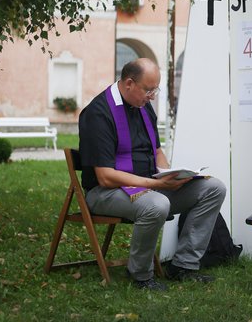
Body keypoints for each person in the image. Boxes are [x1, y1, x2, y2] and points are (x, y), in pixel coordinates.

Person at [78, 58, 226, 291]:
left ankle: (183, 266)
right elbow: (105, 177)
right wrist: (155, 185)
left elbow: (155, 150)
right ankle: (140, 275)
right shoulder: (99, 113)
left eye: (155, 89)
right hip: (106, 193)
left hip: (148, 187)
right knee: (155, 204)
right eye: (149, 90)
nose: (153, 96)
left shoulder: (143, 107)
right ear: (129, 83)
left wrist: (170, 175)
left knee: (213, 188)